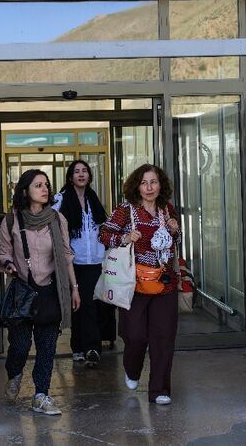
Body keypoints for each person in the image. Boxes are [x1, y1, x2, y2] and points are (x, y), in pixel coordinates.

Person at [0, 169, 81, 415]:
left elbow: (66, 256)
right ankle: (14, 373)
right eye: (38, 185)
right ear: (25, 191)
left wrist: (74, 288)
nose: (45, 189)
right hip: (23, 293)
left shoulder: (57, 219)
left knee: (46, 349)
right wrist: (8, 265)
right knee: (20, 347)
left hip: (50, 292)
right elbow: (3, 253)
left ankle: (41, 395)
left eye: (46, 185)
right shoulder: (11, 221)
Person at [99, 163, 181, 405]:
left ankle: (160, 390)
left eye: (153, 182)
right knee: (134, 336)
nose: (149, 187)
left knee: (164, 337)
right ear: (136, 185)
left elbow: (172, 242)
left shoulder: (168, 209)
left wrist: (175, 230)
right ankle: (132, 369)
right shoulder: (126, 210)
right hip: (133, 284)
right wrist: (124, 237)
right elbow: (103, 234)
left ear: (161, 185)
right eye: (144, 182)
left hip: (164, 283)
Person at [53, 160, 114, 368]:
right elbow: (50, 222)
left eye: (84, 171)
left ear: (89, 176)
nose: (81, 174)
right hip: (72, 261)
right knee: (77, 304)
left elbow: (103, 227)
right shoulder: (61, 199)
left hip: (93, 260)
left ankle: (91, 348)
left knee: (89, 303)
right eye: (76, 171)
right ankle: (79, 347)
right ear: (70, 177)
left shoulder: (93, 199)